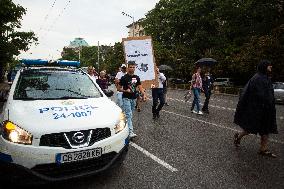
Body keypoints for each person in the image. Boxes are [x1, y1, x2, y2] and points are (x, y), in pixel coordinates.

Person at [233, 60, 278, 158]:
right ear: (264, 66)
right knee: (249, 129)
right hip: (257, 110)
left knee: (265, 130)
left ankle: (263, 149)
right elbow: (255, 95)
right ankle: (238, 137)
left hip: (266, 110)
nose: (271, 67)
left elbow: (269, 94)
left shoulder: (266, 78)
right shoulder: (256, 78)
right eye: (269, 65)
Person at [118, 62, 147, 138]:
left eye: (133, 67)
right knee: (129, 114)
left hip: (133, 99)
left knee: (129, 115)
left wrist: (144, 95)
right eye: (131, 67)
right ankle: (130, 132)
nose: (132, 69)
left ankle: (123, 125)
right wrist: (125, 90)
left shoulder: (136, 77)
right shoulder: (124, 78)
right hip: (126, 98)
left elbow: (140, 88)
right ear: (128, 68)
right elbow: (118, 88)